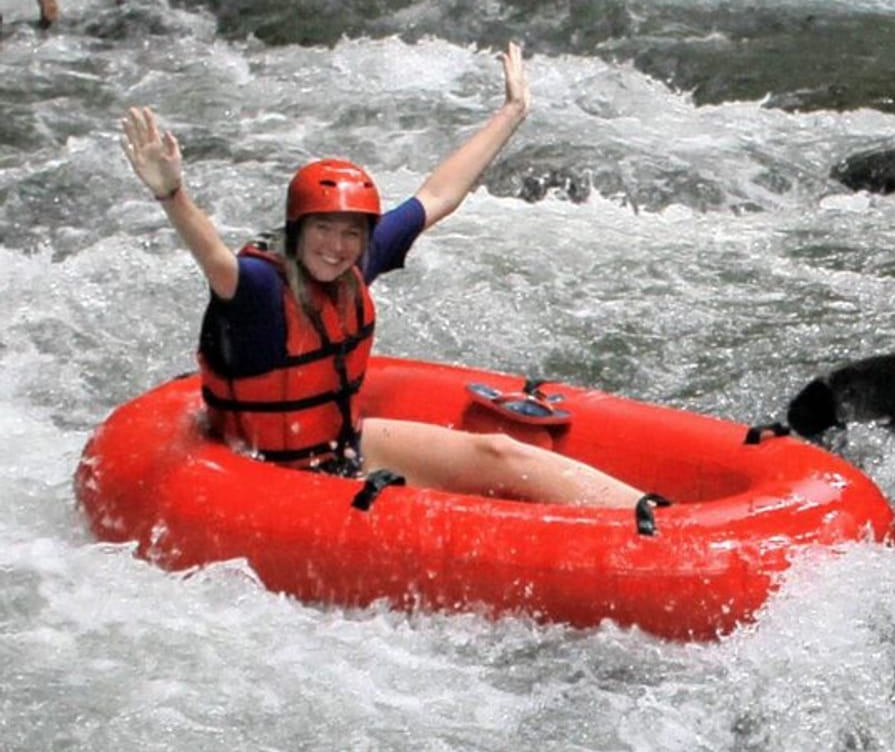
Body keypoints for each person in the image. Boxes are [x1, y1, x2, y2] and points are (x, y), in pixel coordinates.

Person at [120, 43, 646, 509]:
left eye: (351, 234)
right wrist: (171, 193)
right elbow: (213, 257)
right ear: (298, 230)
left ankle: (655, 518)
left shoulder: (355, 263)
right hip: (266, 477)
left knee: (500, 451)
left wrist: (511, 113)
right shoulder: (259, 290)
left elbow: (438, 194)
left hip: (342, 450)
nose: (337, 247)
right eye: (324, 230)